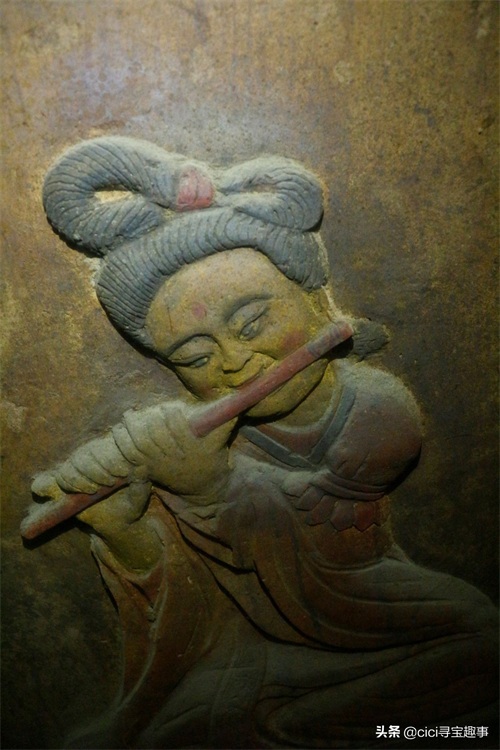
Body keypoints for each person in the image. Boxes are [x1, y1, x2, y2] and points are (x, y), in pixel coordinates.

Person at [32, 137, 497, 749]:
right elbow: (195, 609)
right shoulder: (201, 440)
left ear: (318, 302)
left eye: (253, 323)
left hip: (382, 619)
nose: (234, 361)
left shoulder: (374, 411)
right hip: (259, 657)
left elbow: (331, 573)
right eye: (194, 356)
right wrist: (125, 529)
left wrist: (213, 487)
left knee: (481, 645)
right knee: (189, 728)